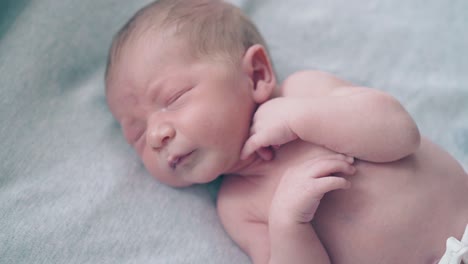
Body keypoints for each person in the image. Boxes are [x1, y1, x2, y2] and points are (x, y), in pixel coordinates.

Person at [104, 0, 468, 263]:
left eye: (173, 98)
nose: (155, 135)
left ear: (256, 75)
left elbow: (402, 133)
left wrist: (302, 118)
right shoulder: (237, 206)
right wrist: (288, 224)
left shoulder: (305, 92)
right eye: (136, 135)